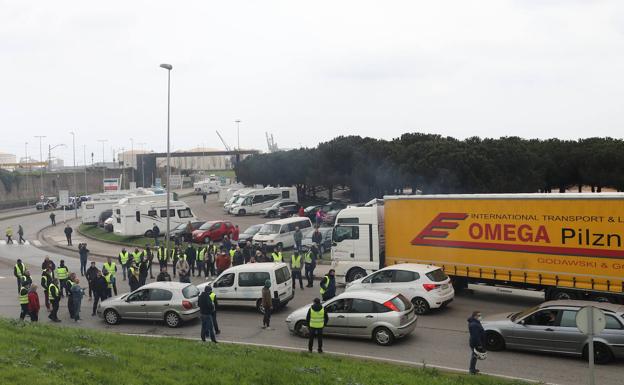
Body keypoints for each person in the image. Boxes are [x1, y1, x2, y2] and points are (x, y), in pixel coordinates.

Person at [468, 311, 486, 375]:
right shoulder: (474, 325)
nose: (480, 317)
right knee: (474, 356)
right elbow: (475, 336)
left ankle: (472, 369)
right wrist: (479, 345)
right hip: (475, 343)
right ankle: (471, 370)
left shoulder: (475, 322)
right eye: (479, 315)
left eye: (480, 315)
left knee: (474, 356)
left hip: (476, 342)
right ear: (474, 316)